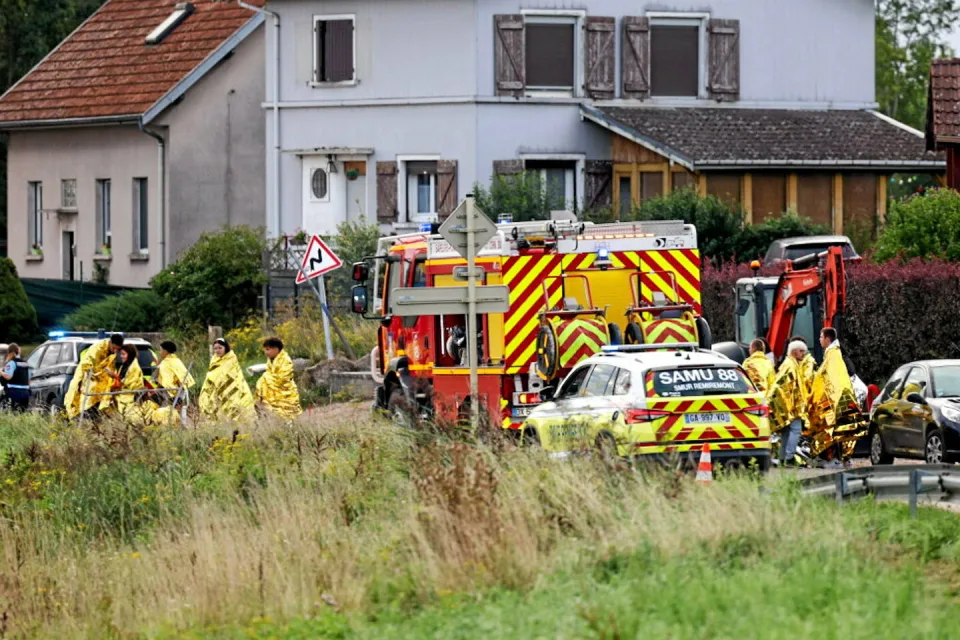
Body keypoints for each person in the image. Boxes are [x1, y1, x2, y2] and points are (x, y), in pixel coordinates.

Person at [807, 328, 867, 464]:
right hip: (840, 399)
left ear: (827, 339)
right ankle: (841, 459)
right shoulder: (834, 353)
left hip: (837, 400)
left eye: (821, 337)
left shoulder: (833, 355)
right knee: (840, 430)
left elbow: (830, 378)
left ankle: (835, 459)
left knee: (834, 429)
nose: (819, 340)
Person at [767, 340, 810, 467]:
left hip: (787, 407)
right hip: (792, 407)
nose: (803, 354)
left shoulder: (789, 364)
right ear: (794, 352)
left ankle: (782, 458)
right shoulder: (791, 366)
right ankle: (789, 458)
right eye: (801, 351)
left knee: (786, 432)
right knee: (796, 430)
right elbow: (787, 387)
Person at [64, 333, 124, 420]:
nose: (115, 351)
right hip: (88, 377)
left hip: (102, 380)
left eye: (117, 349)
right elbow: (93, 368)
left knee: (102, 400)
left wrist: (113, 376)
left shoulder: (112, 352)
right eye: (114, 348)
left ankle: (95, 419)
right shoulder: (98, 349)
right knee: (85, 400)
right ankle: (80, 418)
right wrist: (107, 373)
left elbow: (110, 366)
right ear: (110, 342)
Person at [198, 338, 255, 422]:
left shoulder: (231, 358)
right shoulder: (214, 360)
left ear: (225, 348)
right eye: (215, 348)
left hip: (231, 387)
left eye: (220, 348)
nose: (217, 350)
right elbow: (212, 374)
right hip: (216, 388)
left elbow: (231, 374)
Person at [255, 337, 302, 419]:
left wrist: (266, 377)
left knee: (288, 415)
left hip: (285, 393)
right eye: (265, 350)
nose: (266, 352)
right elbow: (269, 373)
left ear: (276, 349)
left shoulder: (286, 361)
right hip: (272, 394)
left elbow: (283, 378)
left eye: (268, 349)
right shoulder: (270, 361)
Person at [99, 344, 146, 423]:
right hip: (121, 395)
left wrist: (114, 376)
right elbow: (119, 380)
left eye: (124, 354)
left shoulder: (134, 368)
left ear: (130, 354)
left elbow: (128, 385)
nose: (121, 356)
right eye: (121, 354)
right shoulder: (124, 366)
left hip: (130, 398)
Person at [1, 344, 31, 412]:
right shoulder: (26, 363)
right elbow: (29, 380)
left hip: (13, 392)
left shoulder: (11, 363)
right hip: (25, 393)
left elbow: (8, 377)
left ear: (9, 352)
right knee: (22, 413)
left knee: (10, 412)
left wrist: (1, 372)